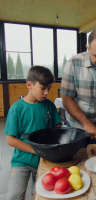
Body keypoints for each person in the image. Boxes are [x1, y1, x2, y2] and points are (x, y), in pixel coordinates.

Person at [4, 66, 62, 200]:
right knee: (13, 196)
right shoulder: (16, 109)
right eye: (43, 88)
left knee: (39, 194)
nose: (46, 92)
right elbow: (11, 140)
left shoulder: (49, 105)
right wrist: (36, 150)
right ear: (29, 85)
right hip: (22, 160)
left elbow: (58, 127)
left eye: (49, 88)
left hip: (45, 160)